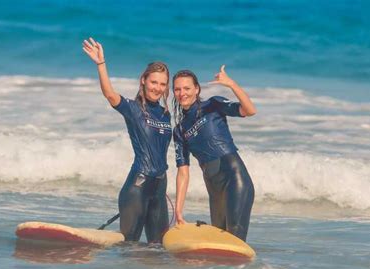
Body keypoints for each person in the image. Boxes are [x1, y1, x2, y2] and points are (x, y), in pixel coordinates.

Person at [82, 37, 171, 243]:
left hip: (159, 190)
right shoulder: (133, 108)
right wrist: (101, 64)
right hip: (137, 188)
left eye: (162, 84)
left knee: (158, 250)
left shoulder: (165, 114)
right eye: (154, 82)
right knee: (129, 249)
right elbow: (109, 94)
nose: (157, 88)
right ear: (143, 80)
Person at [172, 66, 256, 241]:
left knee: (234, 239)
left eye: (187, 88)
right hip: (214, 189)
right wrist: (178, 211)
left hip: (234, 179)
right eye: (177, 89)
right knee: (220, 243)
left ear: (196, 89)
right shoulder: (180, 130)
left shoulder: (213, 105)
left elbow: (249, 111)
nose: (182, 93)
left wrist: (231, 84)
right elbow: (183, 172)